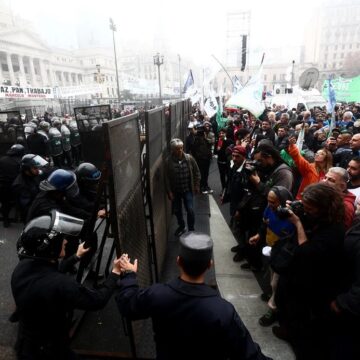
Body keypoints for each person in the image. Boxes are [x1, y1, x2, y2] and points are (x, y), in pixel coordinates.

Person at [115, 232, 272, 360]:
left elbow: (128, 305)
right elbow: (248, 353)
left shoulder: (158, 294)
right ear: (209, 265)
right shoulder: (223, 311)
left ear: (178, 261)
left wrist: (129, 274)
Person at [11, 210, 122, 360]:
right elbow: (98, 300)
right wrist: (115, 273)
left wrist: (75, 256)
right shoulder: (62, 285)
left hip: (27, 341)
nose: (65, 241)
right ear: (50, 248)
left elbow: (50, 271)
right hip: (49, 349)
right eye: (61, 239)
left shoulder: (23, 267)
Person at [274, 183, 345, 360]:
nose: (306, 211)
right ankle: (288, 330)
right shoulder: (315, 217)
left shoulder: (334, 231)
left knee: (305, 333)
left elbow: (307, 253)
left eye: (309, 208)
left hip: (314, 288)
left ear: (323, 208)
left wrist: (297, 223)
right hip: (296, 279)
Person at [165, 138, 200, 236]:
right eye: (177, 148)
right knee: (177, 211)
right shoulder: (168, 161)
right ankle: (182, 226)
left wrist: (196, 185)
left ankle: (191, 229)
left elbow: (197, 172)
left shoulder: (189, 158)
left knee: (190, 209)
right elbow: (166, 178)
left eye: (181, 148)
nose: (180, 150)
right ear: (172, 150)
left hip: (187, 190)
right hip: (175, 191)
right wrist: (169, 192)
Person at [12, 154, 48, 223]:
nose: (38, 170)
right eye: (35, 168)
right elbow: (27, 207)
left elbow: (45, 172)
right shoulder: (20, 185)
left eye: (38, 167)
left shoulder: (33, 175)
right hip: (32, 217)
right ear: (26, 170)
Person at [0, 144, 24, 227]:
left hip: (3, 186)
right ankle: (21, 219)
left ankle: (6, 221)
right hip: (15, 186)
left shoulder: (2, 159)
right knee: (19, 202)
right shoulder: (21, 161)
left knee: (5, 203)